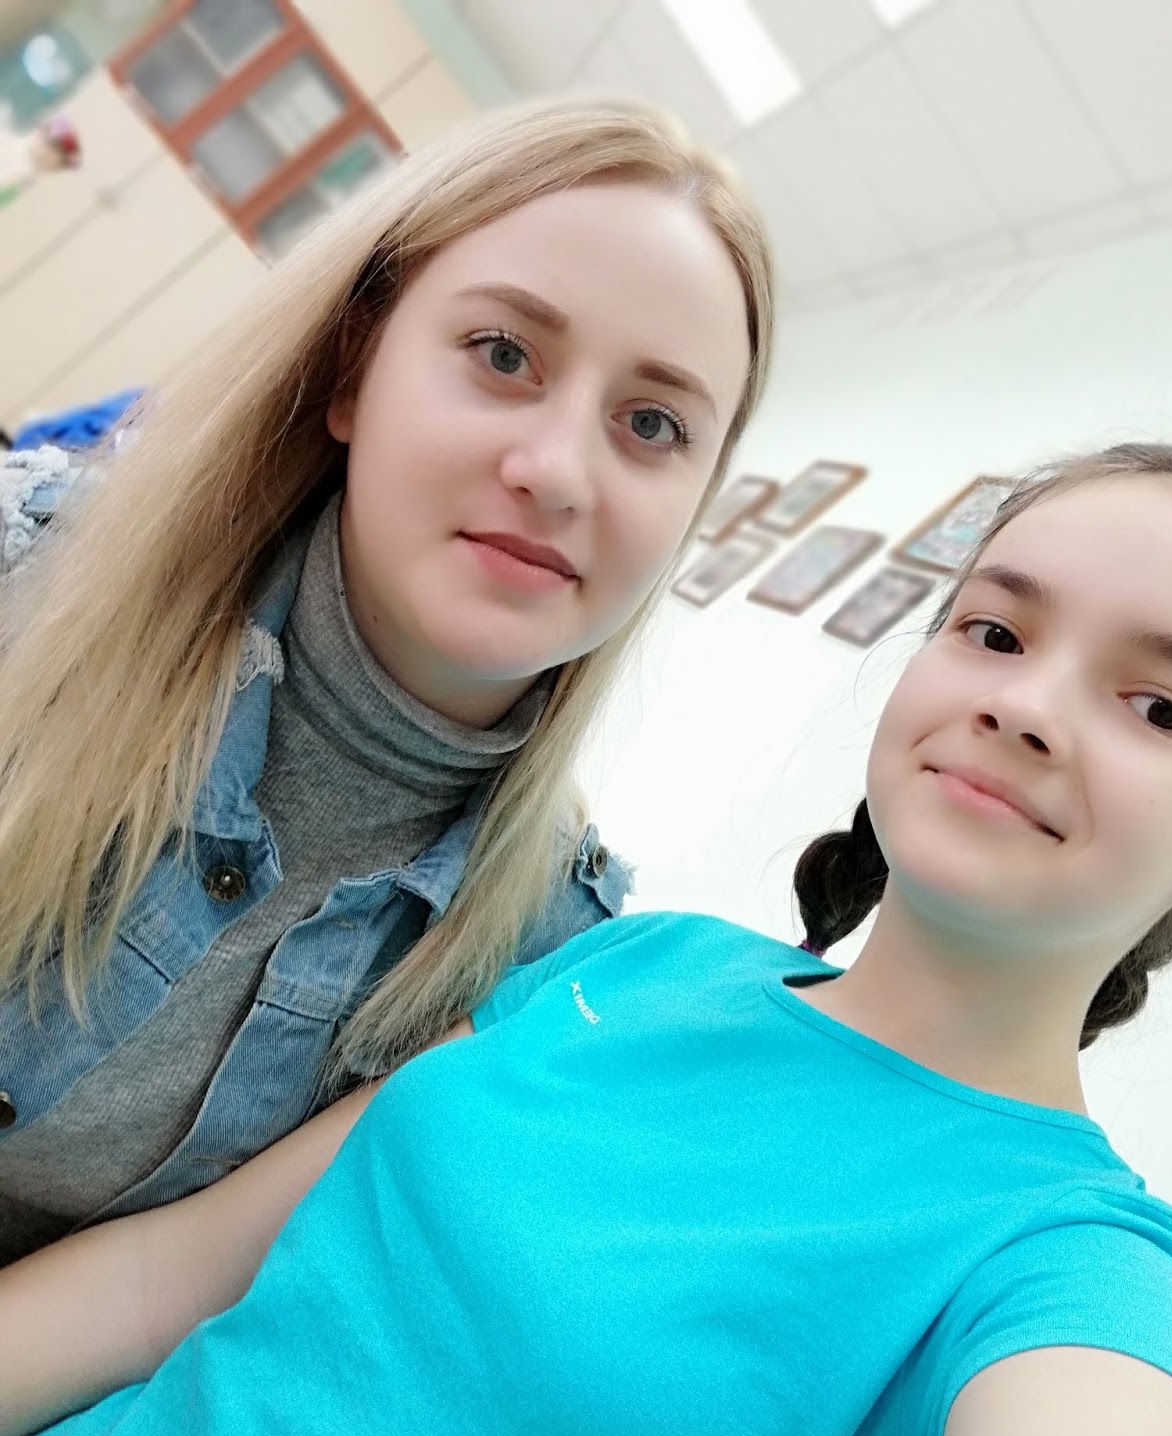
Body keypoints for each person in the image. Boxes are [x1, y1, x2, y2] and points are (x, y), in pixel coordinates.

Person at [3, 441, 1172, 1436]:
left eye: (1162, 709)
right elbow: (173, 1277)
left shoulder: (1069, 1268)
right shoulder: (642, 959)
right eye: (995, 633)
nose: (1026, 706)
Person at [0, 95, 771, 1265]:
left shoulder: (543, 960)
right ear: (355, 367)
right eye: (503, 354)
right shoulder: (33, 575)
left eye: (654, 424)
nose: (558, 471)